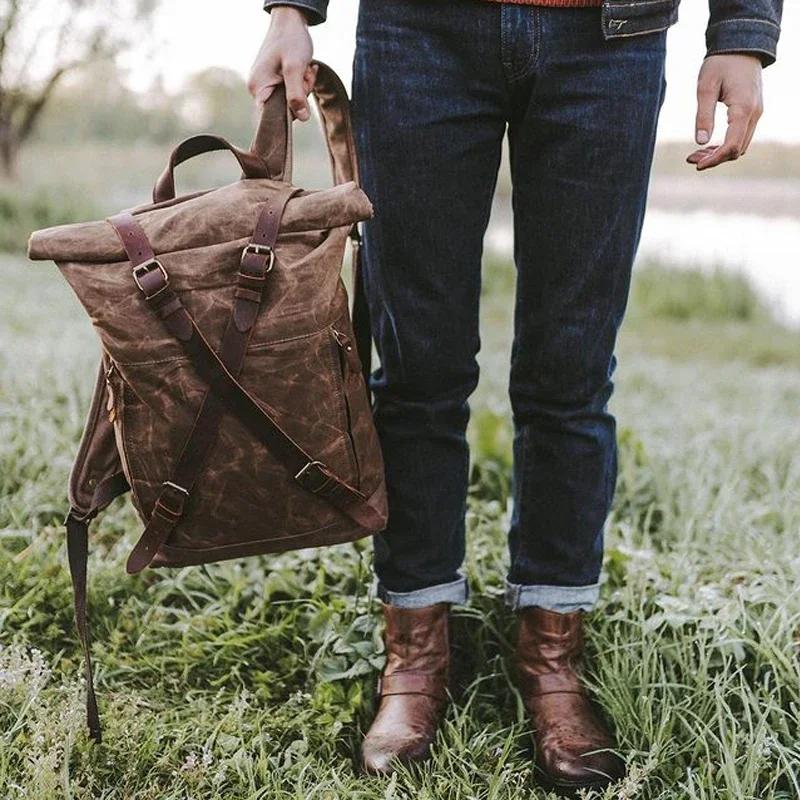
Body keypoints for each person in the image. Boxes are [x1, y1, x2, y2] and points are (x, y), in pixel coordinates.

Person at [248, 0, 782, 792]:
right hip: (418, 31)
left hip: (611, 41)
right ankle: (416, 655)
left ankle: (552, 657)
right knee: (418, 367)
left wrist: (743, 34)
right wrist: (291, 9)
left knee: (570, 371)